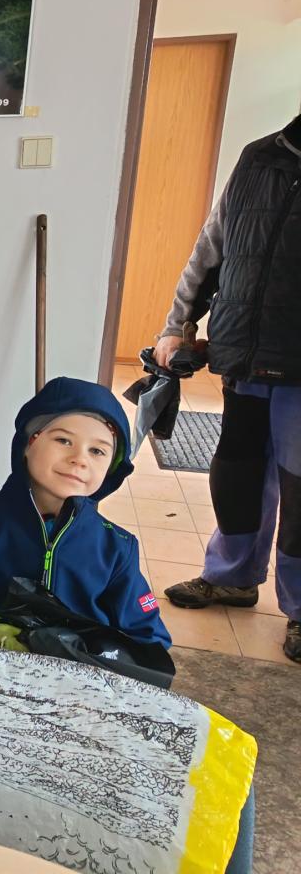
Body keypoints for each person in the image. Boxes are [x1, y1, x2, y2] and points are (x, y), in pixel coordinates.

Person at [153, 117, 301, 663]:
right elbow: (212, 247)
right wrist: (178, 325)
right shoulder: (260, 157)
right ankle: (233, 576)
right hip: (244, 352)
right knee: (237, 472)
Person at [0, 377, 170, 650]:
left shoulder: (116, 548)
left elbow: (150, 638)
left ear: (111, 467)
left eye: (97, 450)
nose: (79, 459)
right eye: (63, 440)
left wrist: (96, 655)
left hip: (75, 675)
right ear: (28, 444)